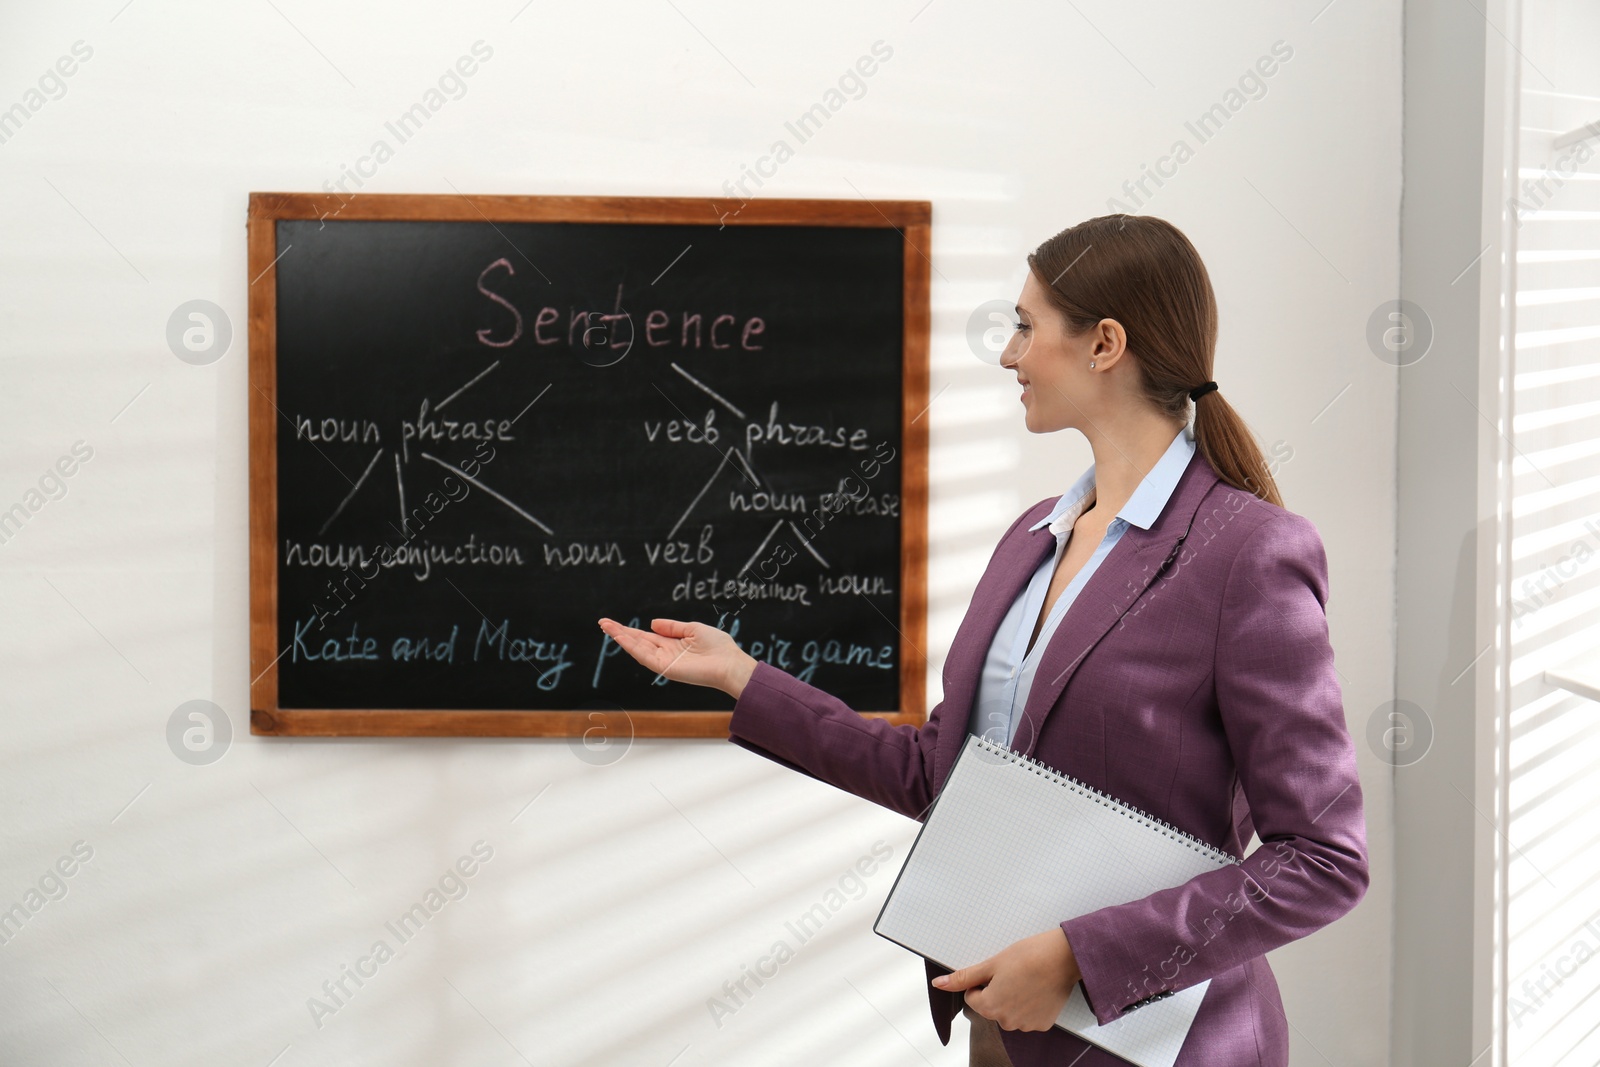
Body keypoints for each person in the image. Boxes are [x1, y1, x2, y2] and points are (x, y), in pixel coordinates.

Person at [598, 214, 1368, 1067]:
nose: (1009, 354)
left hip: (1165, 1043)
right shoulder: (1031, 537)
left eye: (1028, 326)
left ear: (1106, 342)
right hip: (1005, 1032)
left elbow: (1323, 858)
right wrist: (744, 678)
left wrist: (1081, 954)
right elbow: (941, 774)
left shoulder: (1248, 551)